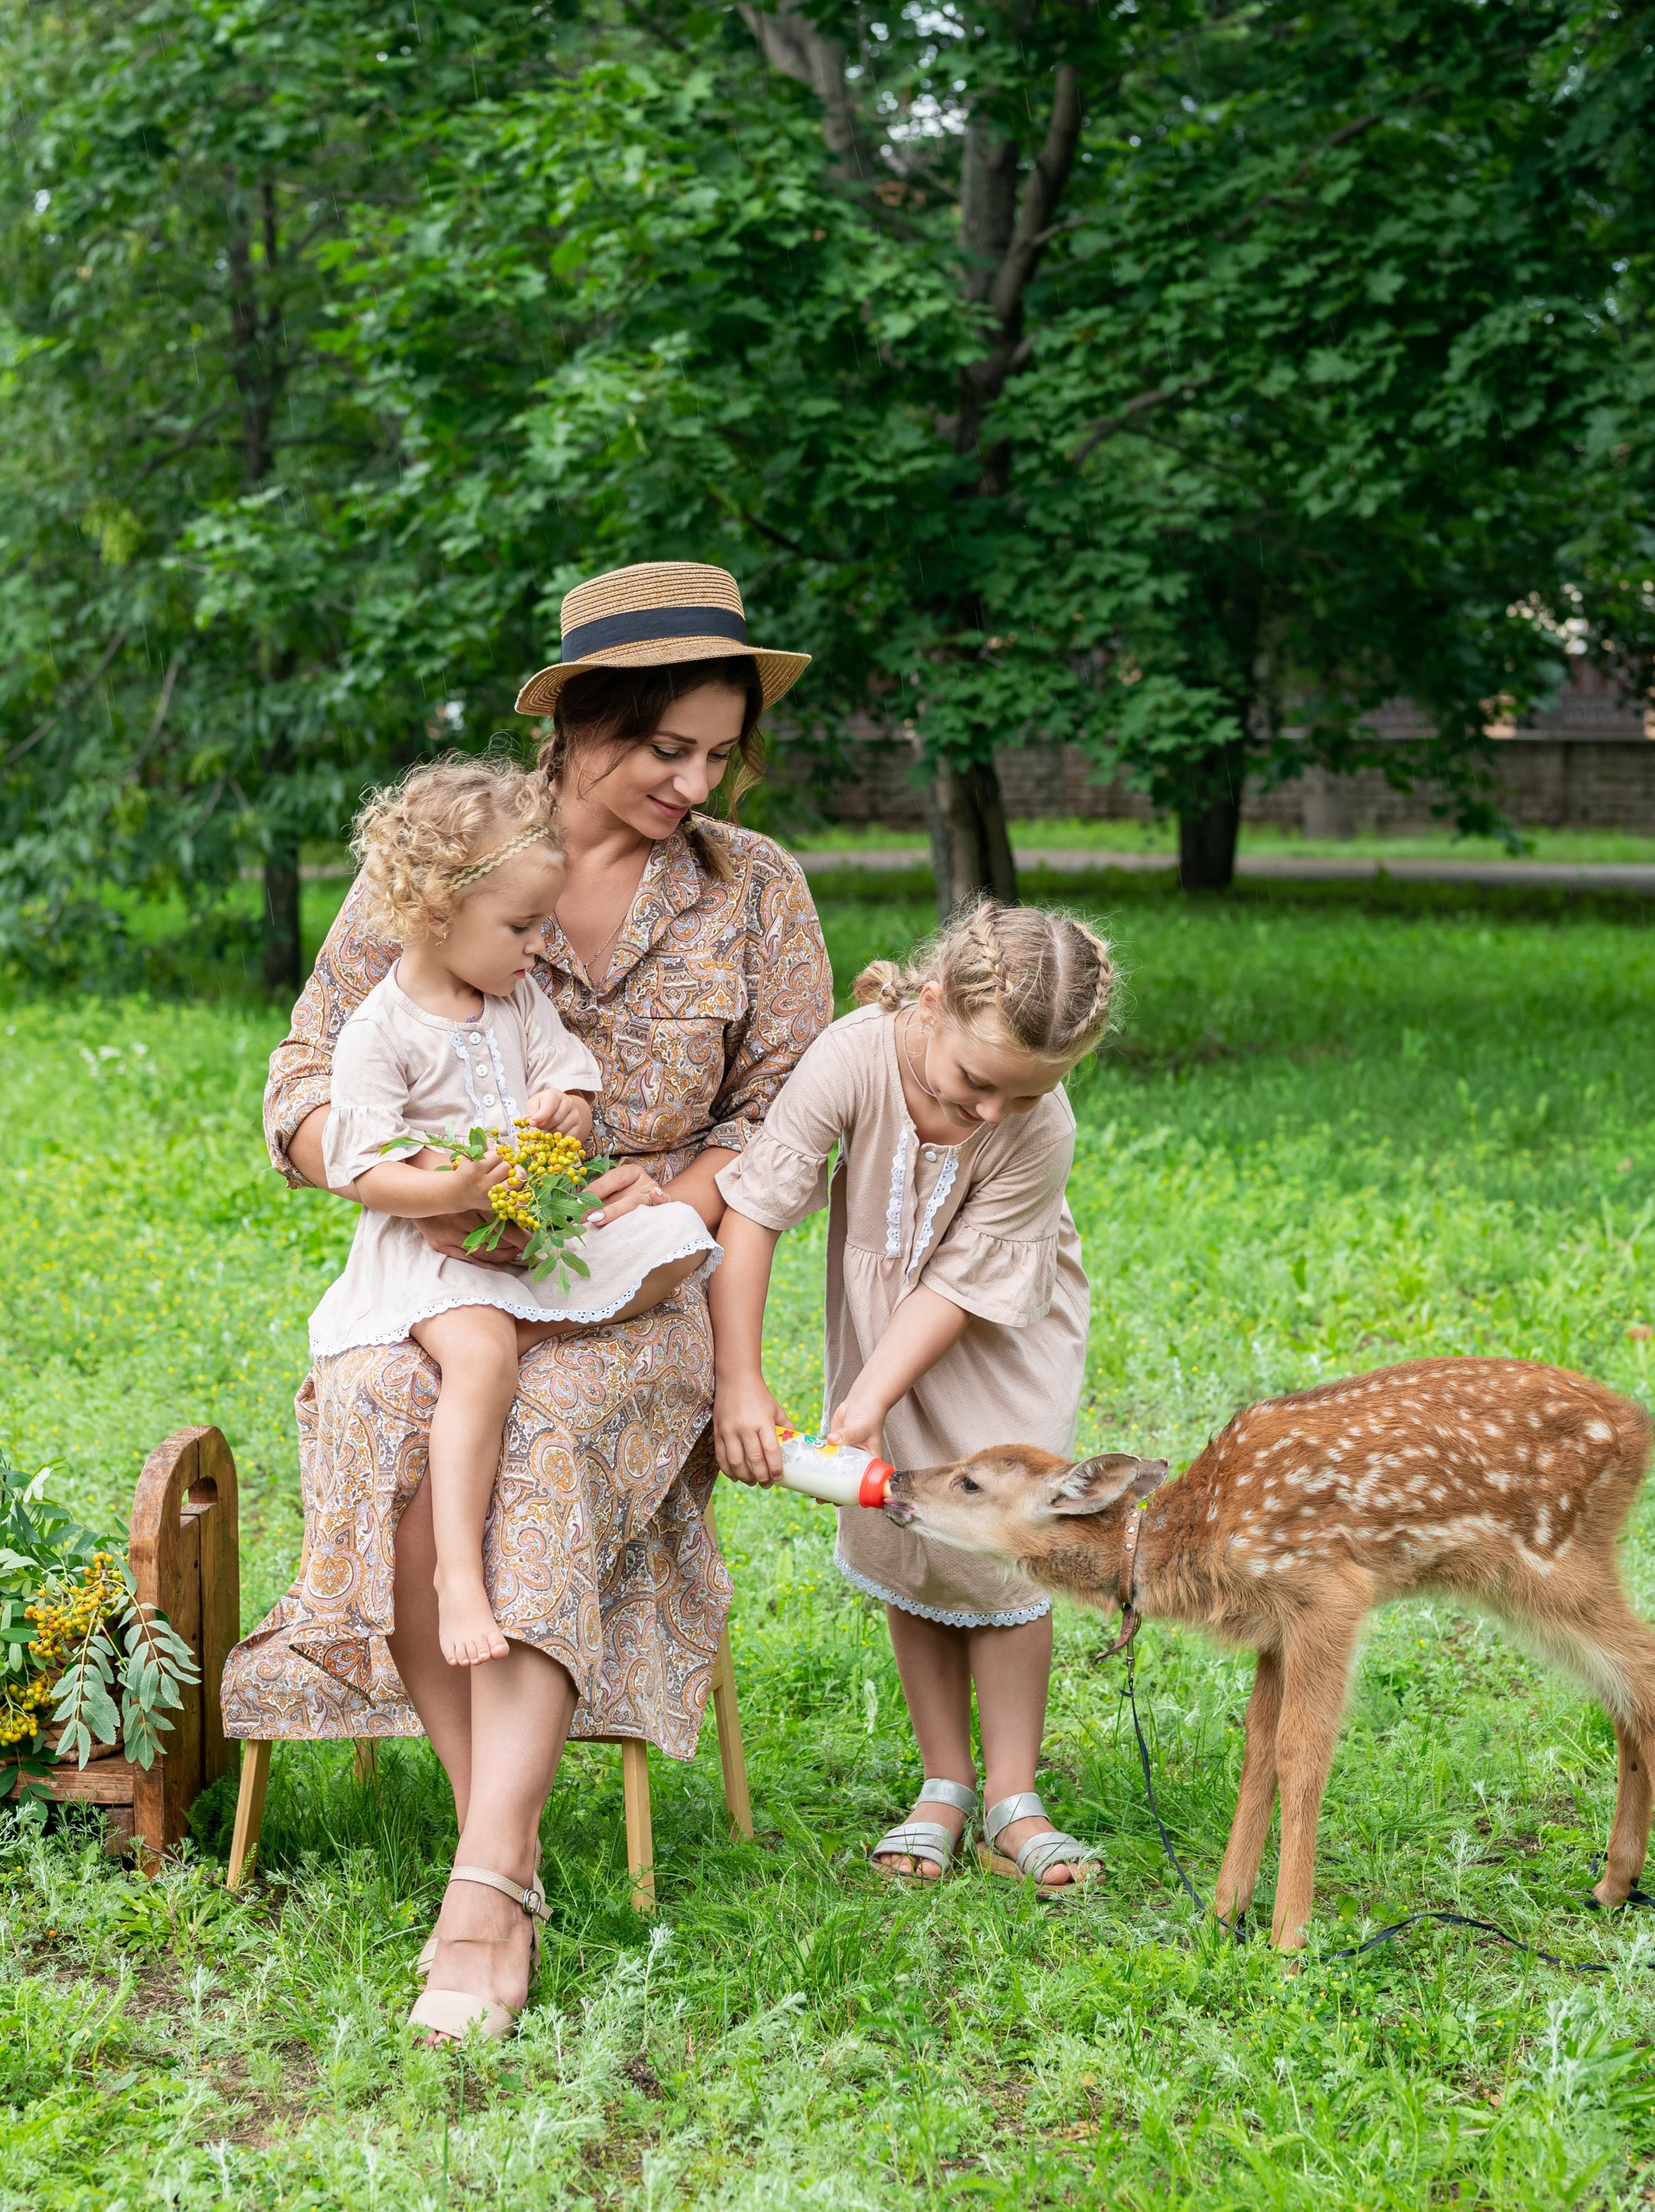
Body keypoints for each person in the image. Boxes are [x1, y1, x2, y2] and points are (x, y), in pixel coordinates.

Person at [221, 562, 833, 2044]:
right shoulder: (441, 861)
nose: (695, 781)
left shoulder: (756, 892)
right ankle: (502, 1848)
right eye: (661, 748)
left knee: (547, 1433)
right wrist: (416, 1183)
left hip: (631, 1294)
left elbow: (797, 1110)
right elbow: (305, 1081)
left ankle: (485, 1887)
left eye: (717, 752)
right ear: (576, 726)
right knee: (389, 1405)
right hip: (437, 1263)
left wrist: (679, 1189)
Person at [710, 900, 1116, 1898]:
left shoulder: (1037, 1121)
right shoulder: (850, 1060)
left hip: (994, 1322)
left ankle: (1016, 1797)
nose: (991, 1114)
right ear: (929, 1005)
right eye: (978, 1083)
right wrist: (742, 1378)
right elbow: (755, 1211)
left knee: (1005, 1543)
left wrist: (862, 1399)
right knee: (910, 1526)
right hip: (885, 1307)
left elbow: (960, 1289)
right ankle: (946, 1779)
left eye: (1020, 1097)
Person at [309, 756, 717, 1676]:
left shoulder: (516, 996)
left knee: (678, 1240)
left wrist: (569, 1103)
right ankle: (460, 1571)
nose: (540, 946)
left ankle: (533, 1320)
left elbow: (562, 1064)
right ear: (437, 914)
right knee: (482, 1354)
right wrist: (448, 1193)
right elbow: (363, 1167)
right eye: (523, 926)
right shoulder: (381, 1032)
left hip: (529, 1233)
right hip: (433, 1251)